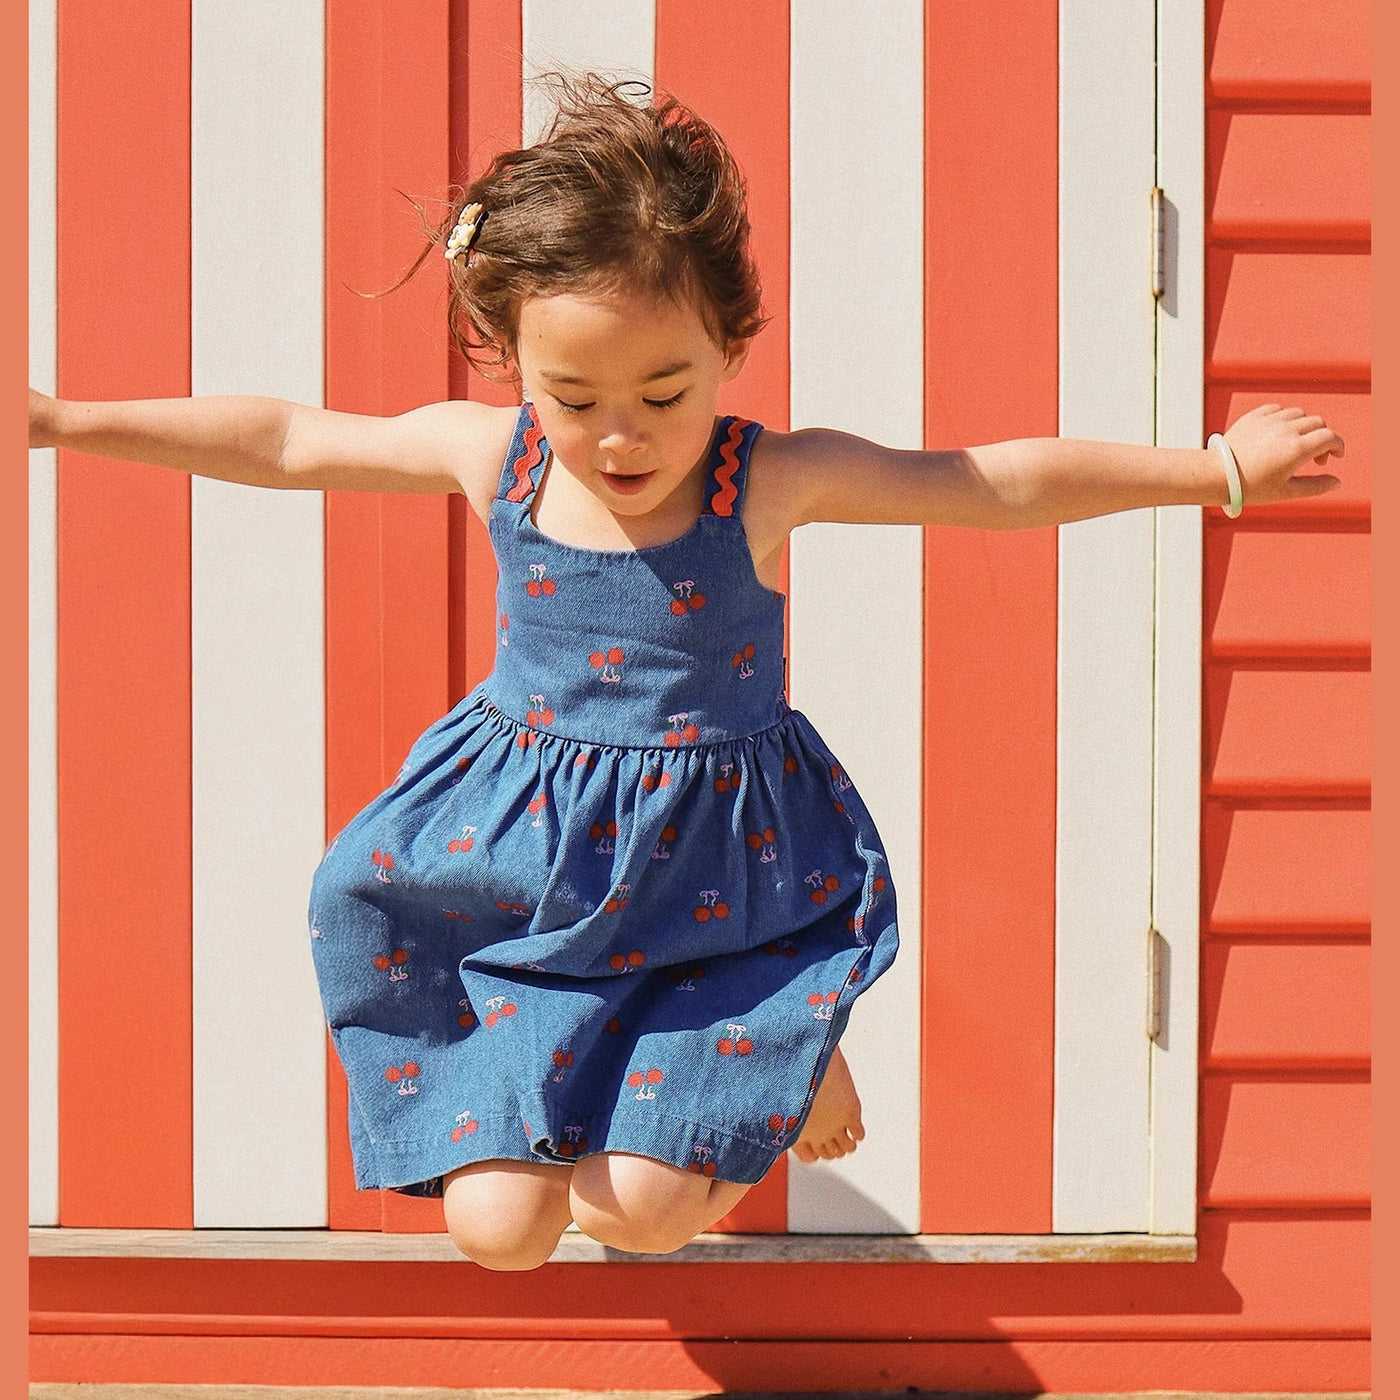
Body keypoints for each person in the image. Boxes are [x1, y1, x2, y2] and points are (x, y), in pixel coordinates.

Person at [28, 73, 1344, 1272]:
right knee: (496, 1234)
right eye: (574, 395)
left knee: (640, 1216)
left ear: (731, 344)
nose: (618, 435)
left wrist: (1215, 471)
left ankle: (783, 1049)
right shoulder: (498, 460)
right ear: (512, 362)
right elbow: (289, 438)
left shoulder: (759, 483)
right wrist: (57, 421)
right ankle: (686, 1080)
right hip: (522, 874)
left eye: (663, 391)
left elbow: (989, 483)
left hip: (717, 876)